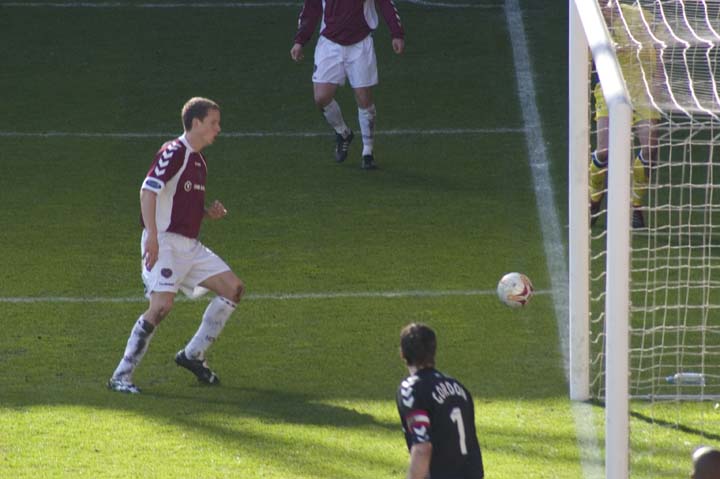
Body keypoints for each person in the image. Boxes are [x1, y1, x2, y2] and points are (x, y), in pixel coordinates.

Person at [107, 97, 245, 394]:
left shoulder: (198, 161)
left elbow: (181, 204)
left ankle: (193, 355)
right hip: (165, 242)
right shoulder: (174, 152)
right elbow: (147, 191)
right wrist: (152, 236)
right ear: (196, 123)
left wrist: (207, 213)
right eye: (213, 123)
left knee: (233, 289)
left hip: (190, 247)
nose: (218, 129)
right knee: (160, 307)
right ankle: (121, 376)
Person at [290, 0, 405, 170]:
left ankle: (367, 152)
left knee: (364, 98)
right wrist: (300, 40)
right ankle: (343, 133)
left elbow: (385, 3)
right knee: (321, 97)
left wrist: (396, 33)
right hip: (329, 44)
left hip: (360, 43)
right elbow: (312, 7)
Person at [589, 0, 660, 229]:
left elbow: (657, 51)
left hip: (642, 90)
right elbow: (588, 60)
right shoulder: (592, 24)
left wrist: (658, 84)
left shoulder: (641, 16)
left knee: (650, 147)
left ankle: (635, 205)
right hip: (611, 91)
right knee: (604, 150)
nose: (603, 5)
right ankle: (594, 198)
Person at [396, 323, 484, 479]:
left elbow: (422, 448)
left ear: (402, 354)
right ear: (433, 351)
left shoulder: (411, 389)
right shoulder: (459, 388)